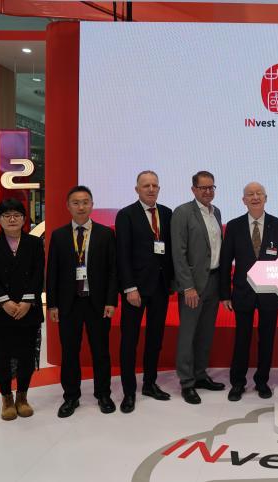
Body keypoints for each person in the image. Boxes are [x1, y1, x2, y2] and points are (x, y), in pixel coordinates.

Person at [47, 186, 118, 417]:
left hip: (97, 303)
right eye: (76, 202)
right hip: (69, 304)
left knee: (101, 352)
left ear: (92, 205)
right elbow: (52, 272)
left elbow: (113, 270)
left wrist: (111, 301)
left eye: (85, 202)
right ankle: (71, 397)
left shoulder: (105, 234)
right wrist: (53, 304)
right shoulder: (58, 235)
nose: (81, 207)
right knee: (70, 353)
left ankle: (103, 394)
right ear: (68, 206)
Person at [220, 182, 278, 402]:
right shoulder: (234, 226)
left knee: (267, 339)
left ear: (266, 198)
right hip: (243, 292)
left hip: (270, 293)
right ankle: (237, 383)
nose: (255, 197)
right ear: (244, 200)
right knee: (242, 339)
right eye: (250, 194)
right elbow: (225, 261)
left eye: (259, 193)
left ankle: (262, 381)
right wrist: (225, 293)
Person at [0, 198, 44, 420]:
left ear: (24, 219)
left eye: (17, 215)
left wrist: (27, 301)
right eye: (7, 215)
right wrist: (4, 301)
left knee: (27, 354)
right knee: (1, 355)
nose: (12, 219)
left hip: (28, 309)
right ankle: (6, 398)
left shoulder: (34, 243)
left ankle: (22, 397)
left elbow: (38, 274)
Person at [115, 171, 174, 413]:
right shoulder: (126, 215)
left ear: (159, 188)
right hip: (135, 290)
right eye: (146, 185)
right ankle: (129, 392)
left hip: (160, 287)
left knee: (155, 339)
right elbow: (122, 254)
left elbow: (169, 251)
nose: (151, 189)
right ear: (137, 189)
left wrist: (172, 282)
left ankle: (150, 384)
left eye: (154, 185)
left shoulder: (167, 213)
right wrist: (129, 287)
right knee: (130, 341)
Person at [171, 171, 226, 404]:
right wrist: (187, 287)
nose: (208, 191)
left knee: (205, 333)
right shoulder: (183, 212)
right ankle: (187, 382)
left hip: (213, 281)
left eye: (211, 187)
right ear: (193, 189)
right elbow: (178, 253)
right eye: (203, 187)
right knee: (188, 334)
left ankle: (200, 375)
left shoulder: (216, 212)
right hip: (193, 285)